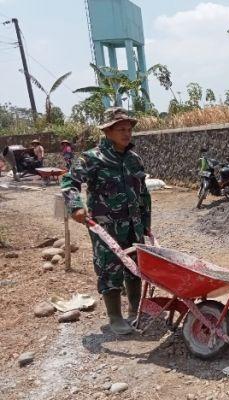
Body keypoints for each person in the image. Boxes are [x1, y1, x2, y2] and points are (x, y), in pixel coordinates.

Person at [61, 107, 151, 335]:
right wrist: (75, 207)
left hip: (133, 225)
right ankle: (115, 317)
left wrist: (146, 222)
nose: (127, 133)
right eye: (121, 129)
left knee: (135, 267)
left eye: (129, 129)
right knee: (110, 268)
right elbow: (69, 182)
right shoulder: (92, 158)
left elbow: (143, 193)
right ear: (107, 131)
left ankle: (135, 309)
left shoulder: (134, 159)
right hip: (105, 227)